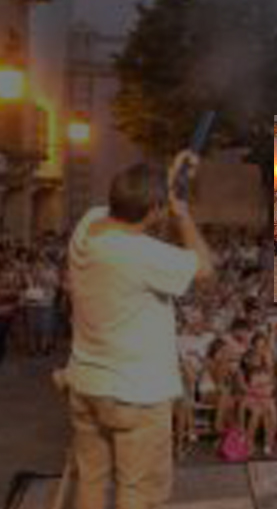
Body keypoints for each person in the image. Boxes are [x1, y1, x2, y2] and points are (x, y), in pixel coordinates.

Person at [65, 150, 215, 509]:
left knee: (92, 481)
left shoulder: (88, 226)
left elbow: (137, 210)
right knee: (139, 492)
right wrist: (182, 213)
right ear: (154, 209)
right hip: (137, 394)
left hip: (87, 384)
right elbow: (205, 270)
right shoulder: (138, 253)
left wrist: (170, 177)